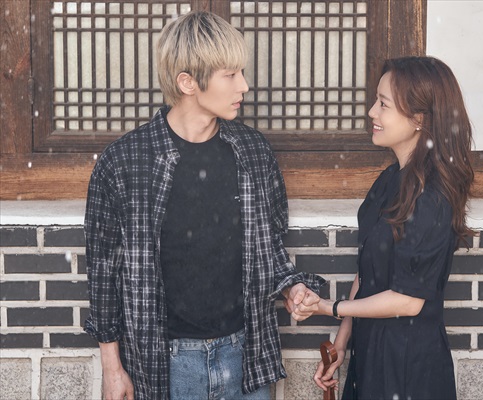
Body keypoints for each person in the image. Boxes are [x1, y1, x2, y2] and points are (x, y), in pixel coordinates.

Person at [84, 11, 325, 400]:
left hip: (246, 354)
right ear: (187, 82)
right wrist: (112, 369)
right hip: (167, 363)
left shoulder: (252, 151)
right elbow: (103, 273)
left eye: (241, 72)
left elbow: (269, 249)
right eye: (230, 75)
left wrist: (292, 288)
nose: (244, 85)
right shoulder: (125, 162)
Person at [303, 56, 475, 399]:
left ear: (418, 119)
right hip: (370, 352)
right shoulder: (389, 180)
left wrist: (329, 307)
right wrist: (341, 342)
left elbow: (408, 301)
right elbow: (367, 272)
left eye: (383, 104)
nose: (372, 112)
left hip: (409, 362)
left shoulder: (433, 197)